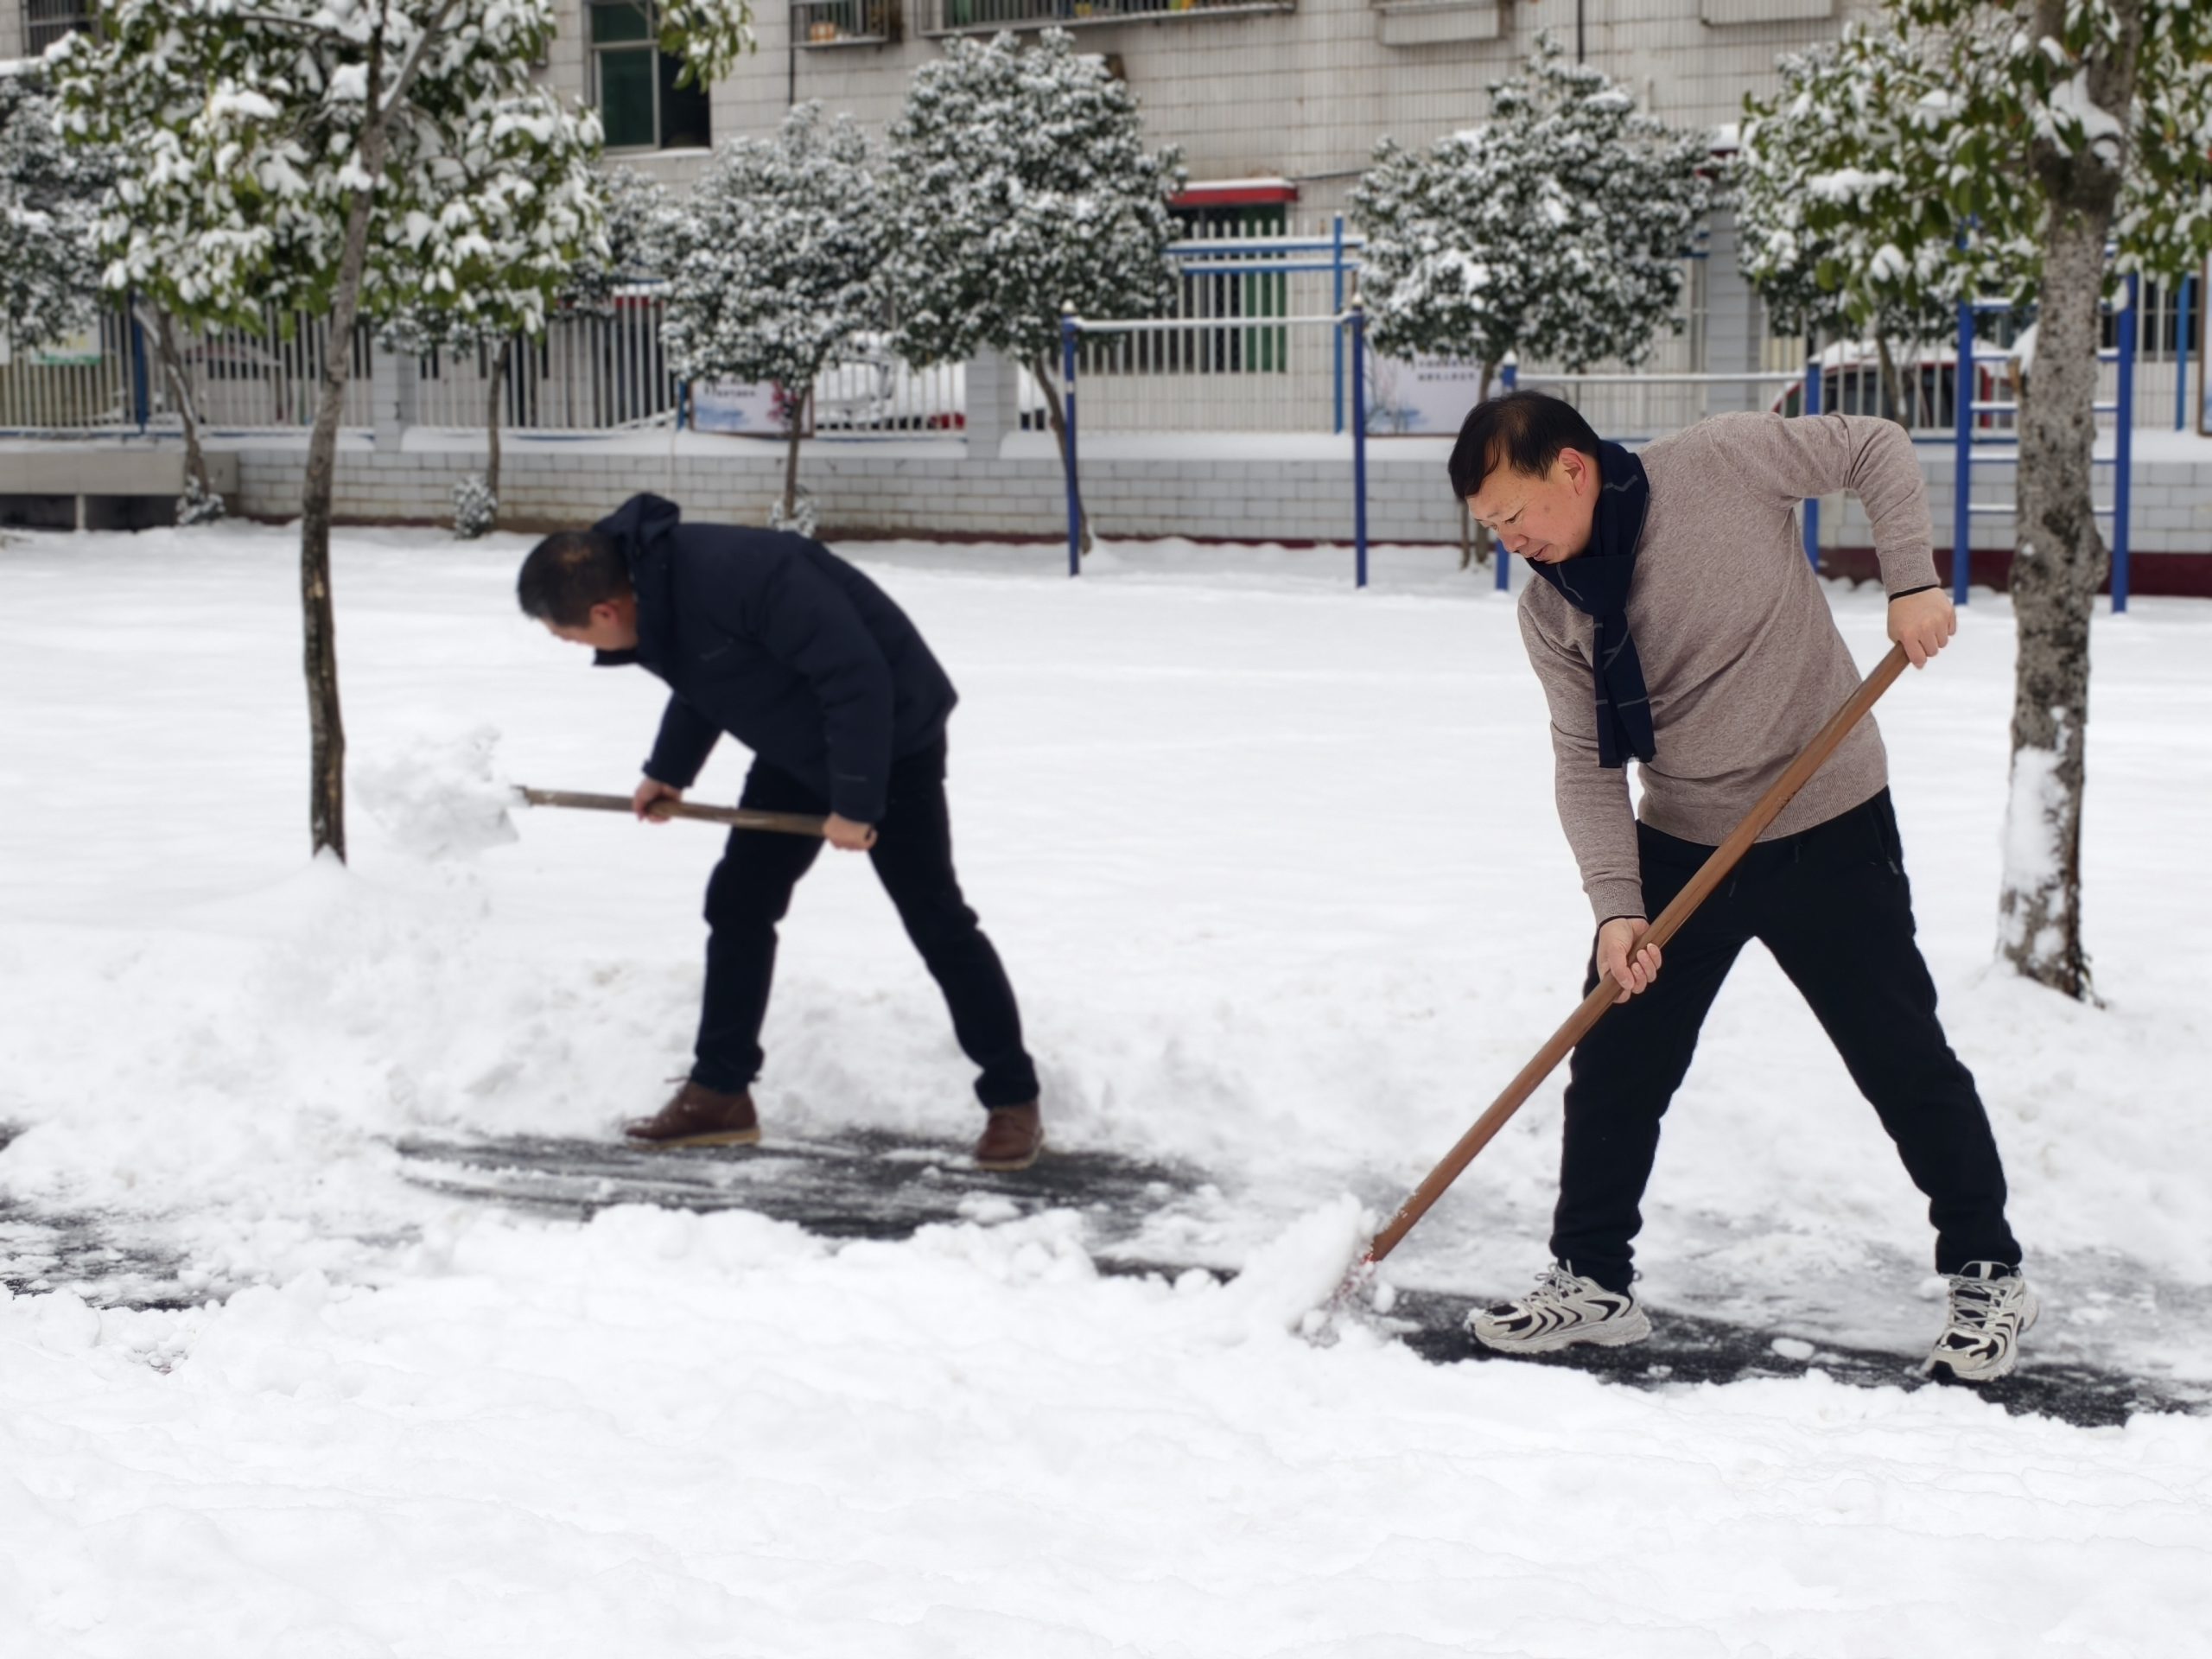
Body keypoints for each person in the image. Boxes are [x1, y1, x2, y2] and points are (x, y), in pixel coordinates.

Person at [1451, 392, 2033, 1383]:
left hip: (1828, 821)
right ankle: (1592, 1281)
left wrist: (1909, 580)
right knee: (1616, 1060)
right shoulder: (1551, 610)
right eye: (1490, 526)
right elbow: (1586, 764)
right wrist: (1616, 907)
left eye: (1512, 514)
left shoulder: (1721, 463)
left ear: (1571, 470)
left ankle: (1988, 1270)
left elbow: (1875, 446)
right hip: (1683, 843)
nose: (1509, 542)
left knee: (1899, 1058)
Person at [516, 493, 1045, 1171]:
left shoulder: (746, 578)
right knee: (739, 903)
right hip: (798, 742)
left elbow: (858, 680)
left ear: (604, 612)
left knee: (936, 919)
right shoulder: (654, 586)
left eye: (569, 636)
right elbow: (705, 673)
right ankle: (720, 1094)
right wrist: (669, 770)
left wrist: (856, 802)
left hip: (889, 740)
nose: (572, 646)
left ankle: (1013, 1098)